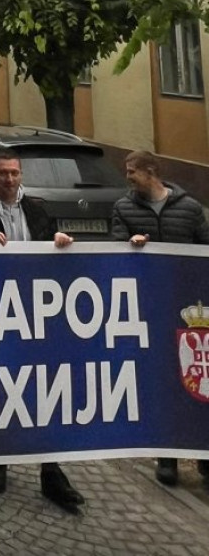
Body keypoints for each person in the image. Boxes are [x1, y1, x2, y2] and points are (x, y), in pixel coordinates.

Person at [0, 149, 83, 511]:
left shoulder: (37, 209)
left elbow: (53, 244)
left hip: (36, 312)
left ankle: (51, 471)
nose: (9, 179)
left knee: (45, 388)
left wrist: (61, 243)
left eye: (14, 173)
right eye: (3, 173)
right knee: (2, 386)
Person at [111, 148, 209, 488]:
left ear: (150, 171)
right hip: (151, 310)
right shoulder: (123, 208)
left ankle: (204, 455)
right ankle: (167, 457)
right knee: (163, 383)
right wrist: (130, 245)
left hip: (190, 313)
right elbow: (115, 250)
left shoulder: (189, 208)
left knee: (199, 381)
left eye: (132, 171)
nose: (127, 177)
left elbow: (205, 249)